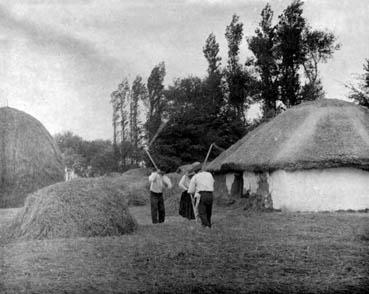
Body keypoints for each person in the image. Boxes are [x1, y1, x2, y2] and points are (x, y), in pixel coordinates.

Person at [188, 163, 215, 228]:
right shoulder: (209, 174)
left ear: (194, 171)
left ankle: (206, 225)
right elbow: (213, 182)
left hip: (201, 195)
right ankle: (208, 224)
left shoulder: (195, 177)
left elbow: (191, 190)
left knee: (202, 211)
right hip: (210, 194)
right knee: (208, 211)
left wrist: (194, 191)